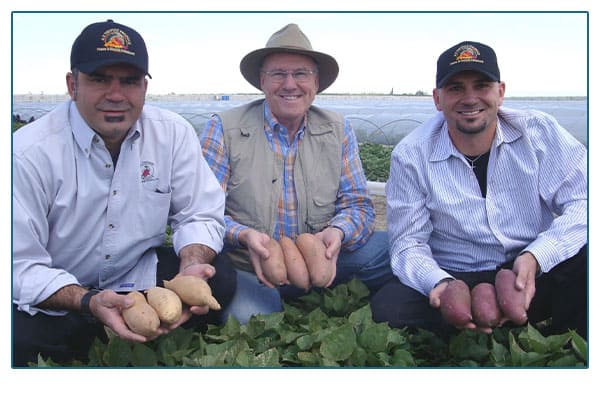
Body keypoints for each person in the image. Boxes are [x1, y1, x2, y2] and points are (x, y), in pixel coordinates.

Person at [12, 20, 236, 367]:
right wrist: (87, 301)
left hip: (133, 274)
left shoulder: (172, 134)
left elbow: (200, 213)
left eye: (129, 81)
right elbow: (19, 266)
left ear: (145, 87)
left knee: (218, 277)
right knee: (17, 335)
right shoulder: (26, 154)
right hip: (63, 287)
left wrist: (192, 265)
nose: (116, 95)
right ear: (73, 85)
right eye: (100, 79)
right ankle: (101, 327)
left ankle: (109, 332)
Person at [371, 41, 587, 339]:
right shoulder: (411, 154)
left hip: (528, 270)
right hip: (457, 274)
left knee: (588, 261)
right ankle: (494, 319)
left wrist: (536, 257)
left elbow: (584, 202)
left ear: (500, 92)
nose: (470, 98)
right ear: (437, 99)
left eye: (481, 85)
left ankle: (565, 338)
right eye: (456, 88)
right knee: (389, 308)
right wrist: (441, 284)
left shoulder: (538, 132)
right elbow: (407, 243)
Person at [200, 23, 393, 323]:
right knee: (251, 321)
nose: (290, 84)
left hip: (325, 259)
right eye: (278, 74)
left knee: (396, 249)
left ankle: (315, 285)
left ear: (316, 83)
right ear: (262, 81)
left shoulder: (338, 130)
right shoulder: (224, 129)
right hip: (251, 267)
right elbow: (202, 212)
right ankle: (269, 297)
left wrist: (338, 233)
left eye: (301, 74)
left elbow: (358, 204)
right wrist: (244, 236)